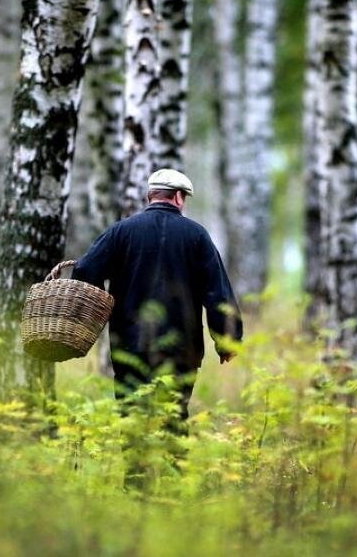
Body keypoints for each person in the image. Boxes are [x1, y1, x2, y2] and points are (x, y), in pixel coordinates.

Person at [72, 169, 244, 420]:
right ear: (177, 197)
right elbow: (217, 293)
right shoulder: (197, 235)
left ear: (150, 196)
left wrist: (92, 312)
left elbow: (85, 271)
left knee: (132, 418)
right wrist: (228, 339)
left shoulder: (121, 232)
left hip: (129, 345)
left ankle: (134, 460)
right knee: (173, 419)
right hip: (182, 349)